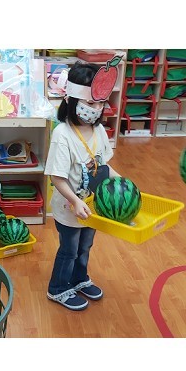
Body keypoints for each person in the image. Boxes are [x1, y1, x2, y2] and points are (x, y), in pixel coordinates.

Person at [44, 62, 122, 311]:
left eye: (100, 104)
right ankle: (58, 288)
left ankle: (78, 279)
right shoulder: (63, 135)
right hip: (70, 208)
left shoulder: (99, 131)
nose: (95, 109)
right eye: (89, 103)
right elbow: (56, 177)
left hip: (92, 206)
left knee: (85, 246)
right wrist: (76, 201)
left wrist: (122, 182)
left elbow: (104, 165)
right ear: (71, 100)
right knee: (69, 250)